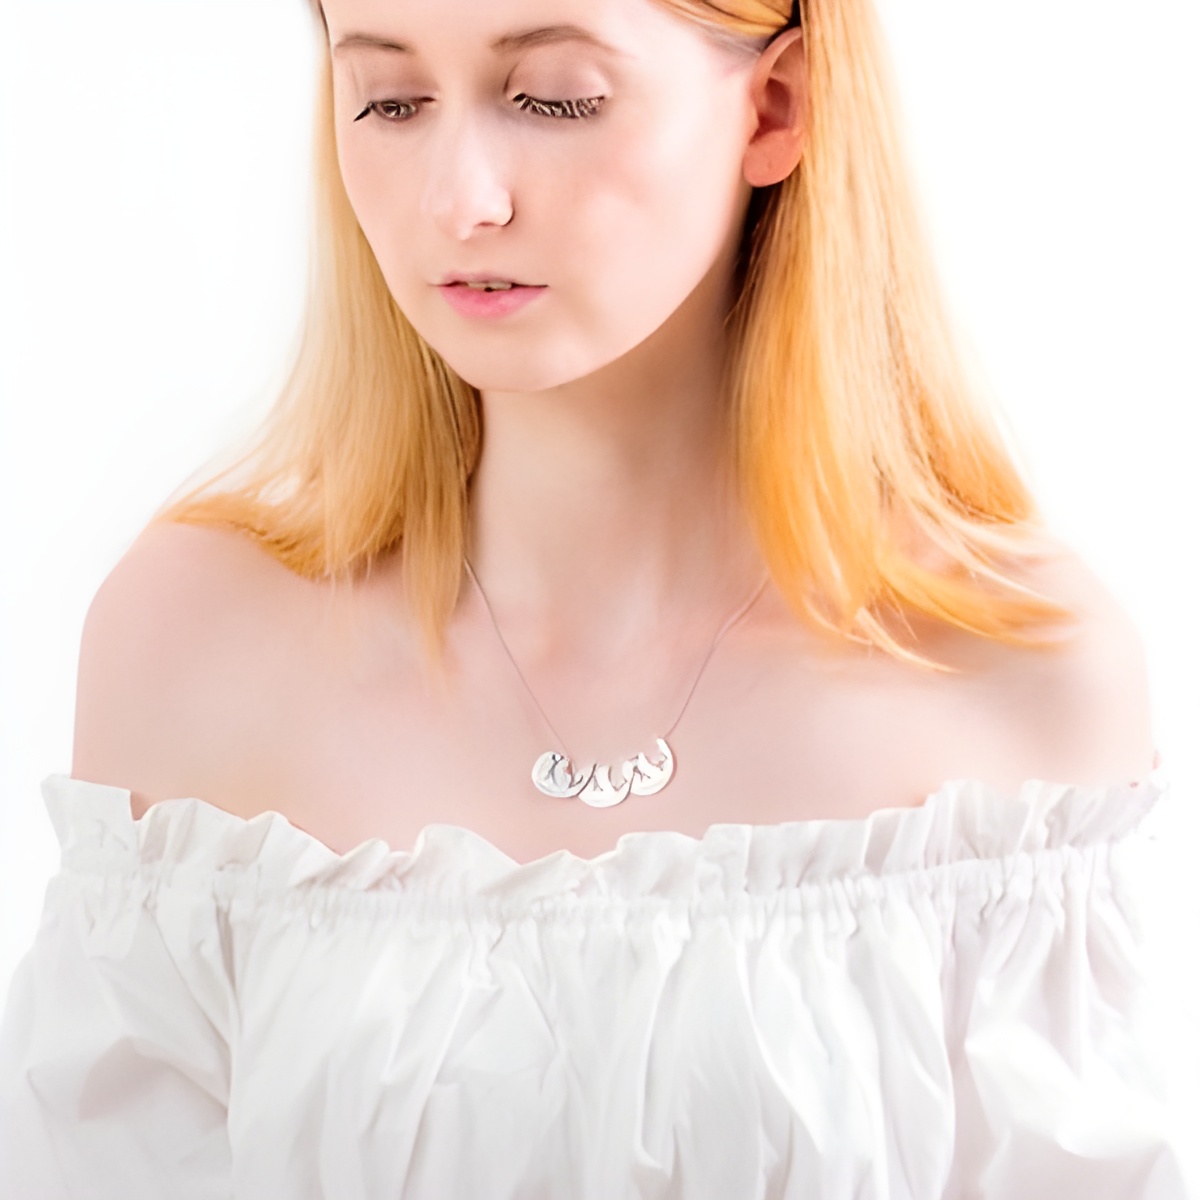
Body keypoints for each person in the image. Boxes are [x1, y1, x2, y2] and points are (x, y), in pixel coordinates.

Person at [0, 0, 1193, 1195]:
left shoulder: (1019, 684)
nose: (460, 199)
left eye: (554, 98)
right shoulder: (193, 648)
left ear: (776, 108)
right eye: (389, 102)